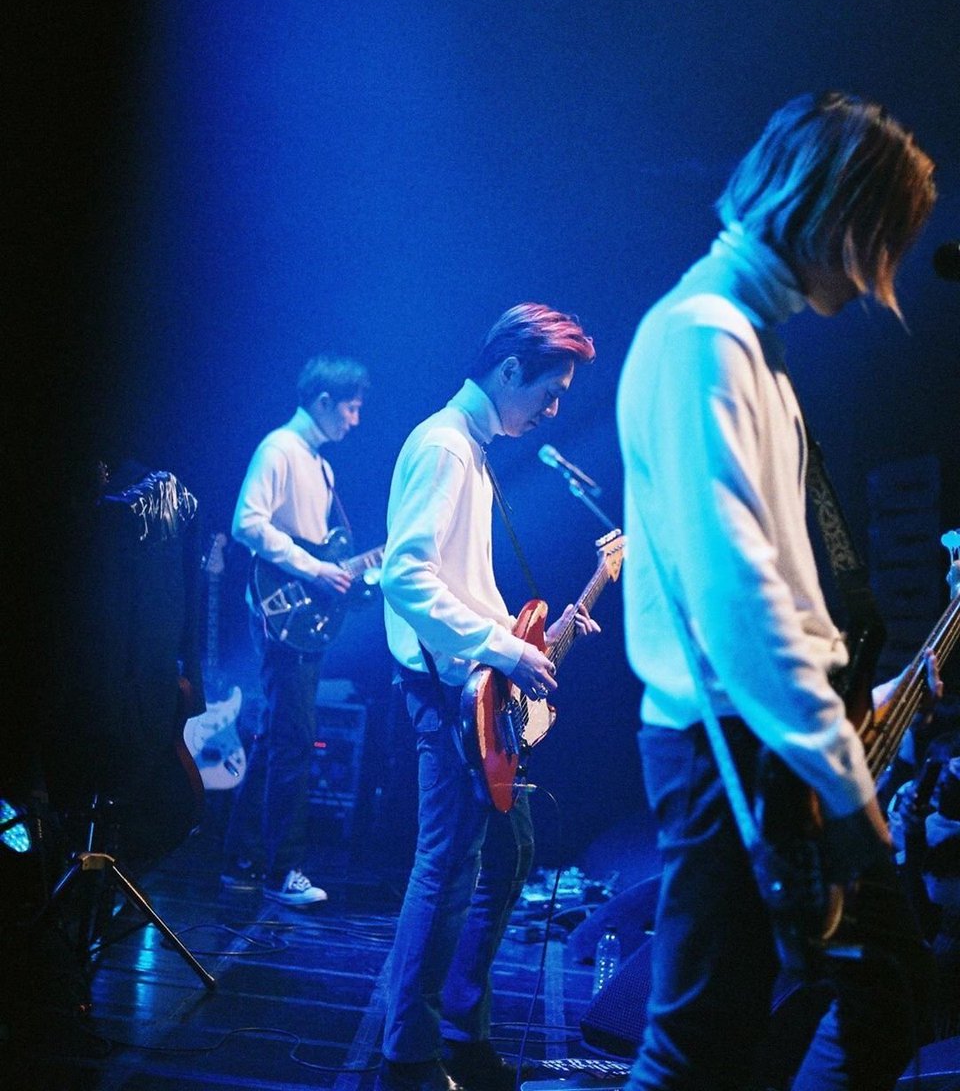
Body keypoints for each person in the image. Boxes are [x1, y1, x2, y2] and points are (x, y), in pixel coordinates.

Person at [616, 92, 939, 1090]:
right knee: (701, 1049)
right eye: (879, 240)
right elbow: (737, 598)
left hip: (766, 736)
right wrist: (843, 783)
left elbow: (775, 589)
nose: (877, 275)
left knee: (864, 1000)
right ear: (831, 214)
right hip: (734, 744)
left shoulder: (745, 340)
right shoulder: (703, 337)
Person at [376, 304, 599, 1091]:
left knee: (501, 856)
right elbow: (405, 578)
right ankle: (409, 1053)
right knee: (445, 868)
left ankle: (454, 1028)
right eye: (549, 391)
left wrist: (526, 633)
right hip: (443, 696)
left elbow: (458, 584)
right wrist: (506, 649)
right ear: (509, 370)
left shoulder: (469, 450)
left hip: (465, 684)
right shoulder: (444, 446)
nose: (554, 410)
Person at [220, 354, 369, 907]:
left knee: (277, 737)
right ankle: (282, 869)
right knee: (295, 739)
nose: (355, 420)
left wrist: (343, 575)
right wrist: (313, 570)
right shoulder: (279, 449)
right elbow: (246, 522)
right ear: (323, 401)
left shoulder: (321, 467)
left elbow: (325, 549)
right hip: (278, 613)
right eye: (350, 408)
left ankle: (240, 859)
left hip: (301, 618)